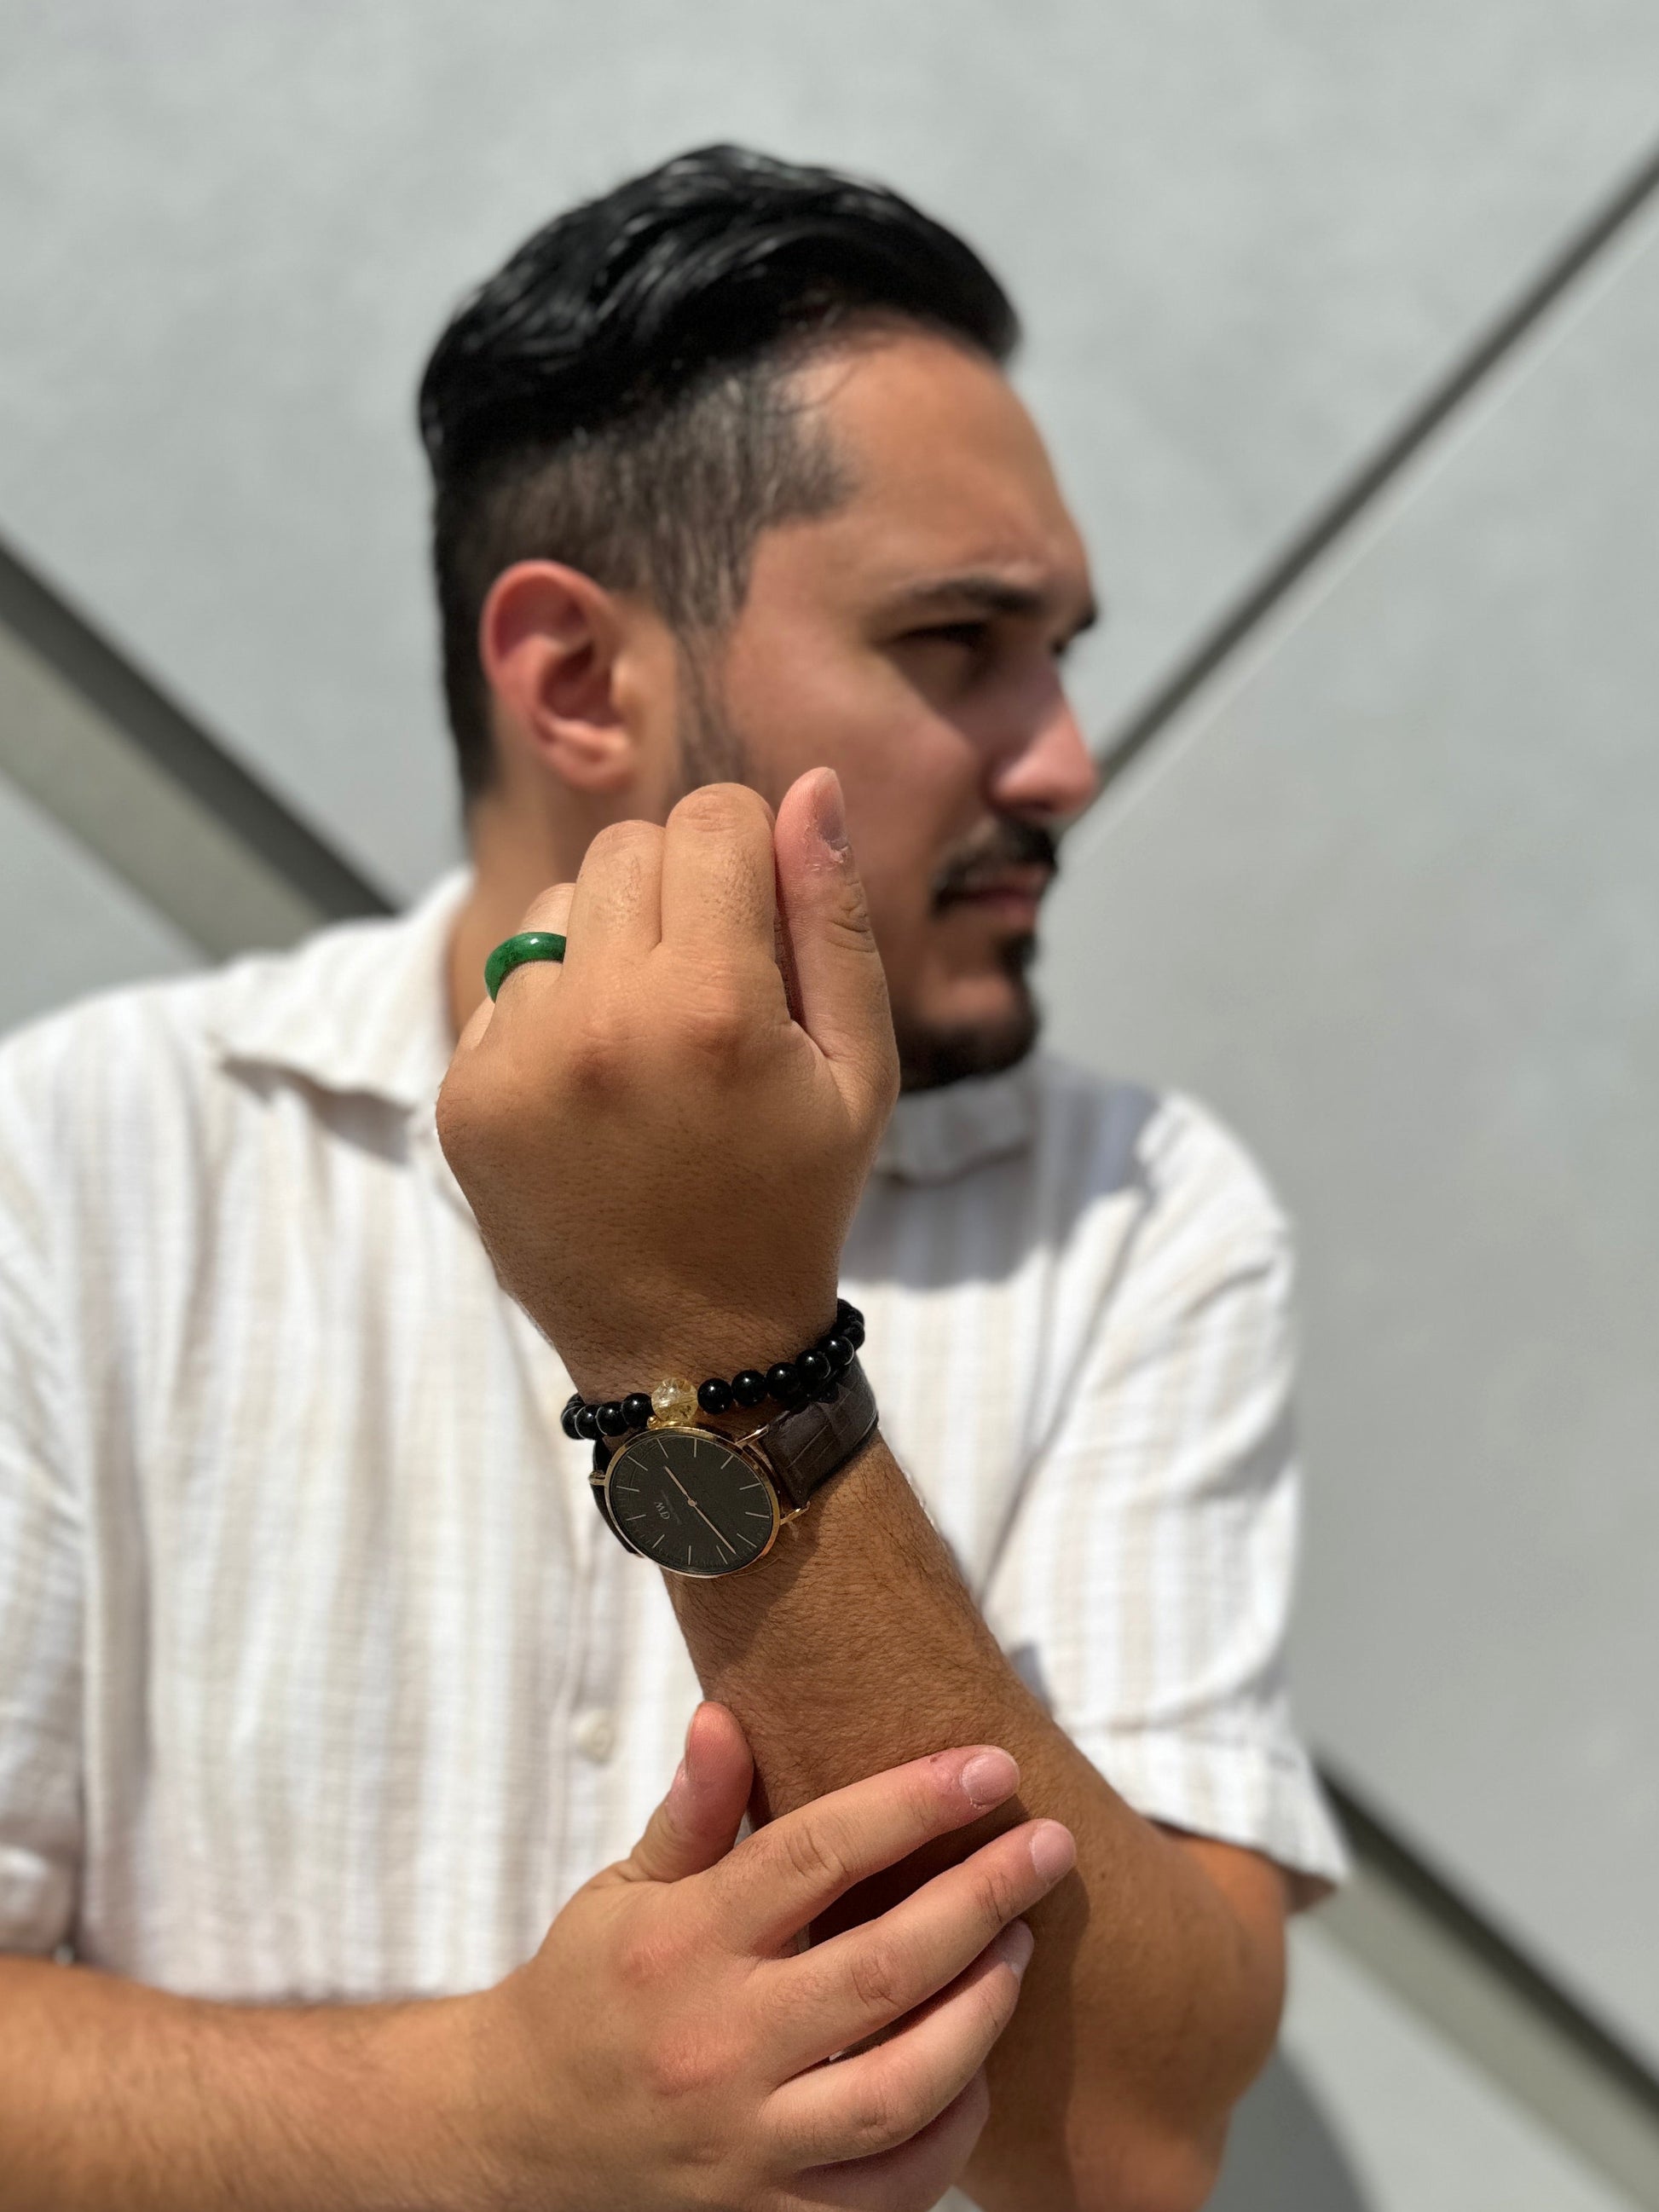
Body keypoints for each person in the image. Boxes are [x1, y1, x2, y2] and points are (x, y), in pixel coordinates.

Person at [0, 146, 1344, 2209]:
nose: (1064, 753)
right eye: (959, 640)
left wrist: (720, 1347)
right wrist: (480, 2122)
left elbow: (1136, 2131)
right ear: (578, 680)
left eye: (1056, 645)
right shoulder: (74, 1163)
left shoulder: (1141, 1215)